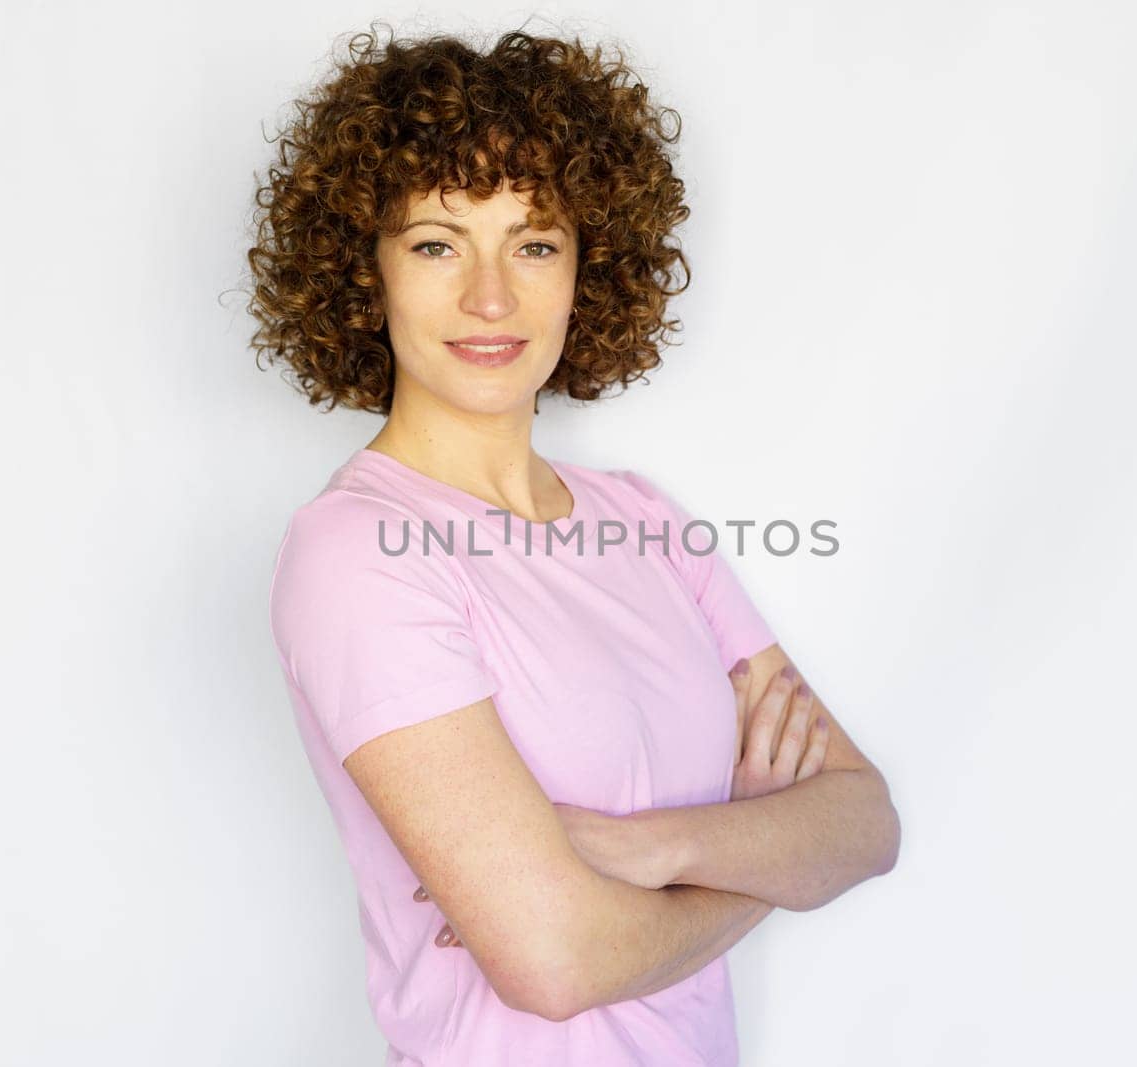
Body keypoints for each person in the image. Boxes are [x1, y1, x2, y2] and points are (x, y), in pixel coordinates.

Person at [248, 25, 900, 1066]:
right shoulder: (356, 554)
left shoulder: (643, 519)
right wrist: (769, 858)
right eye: (435, 243)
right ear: (362, 273)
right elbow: (553, 961)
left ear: (587, 266)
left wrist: (648, 851)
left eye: (534, 242)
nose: (491, 297)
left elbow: (864, 822)